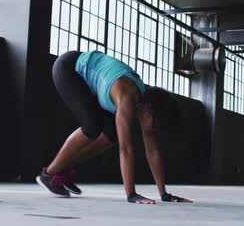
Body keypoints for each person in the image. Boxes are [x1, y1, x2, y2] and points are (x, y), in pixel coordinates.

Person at [36, 50, 193, 204]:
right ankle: (49, 174)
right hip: (69, 68)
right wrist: (131, 194)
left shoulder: (147, 108)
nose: (153, 130)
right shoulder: (127, 98)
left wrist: (164, 194)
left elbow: (153, 151)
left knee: (112, 134)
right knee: (92, 124)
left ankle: (64, 168)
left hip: (92, 84)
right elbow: (126, 150)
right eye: (155, 125)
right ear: (148, 111)